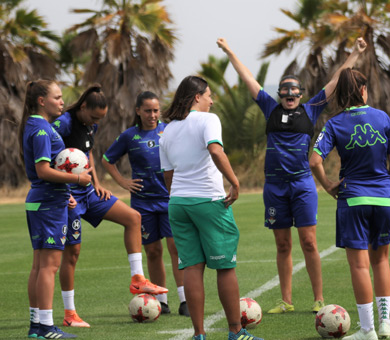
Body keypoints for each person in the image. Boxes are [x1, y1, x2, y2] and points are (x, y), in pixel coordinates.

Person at [217, 36, 366, 314]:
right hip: (274, 187)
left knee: (309, 242)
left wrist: (355, 53)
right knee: (283, 244)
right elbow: (247, 77)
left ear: (300, 95)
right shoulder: (269, 108)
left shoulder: (311, 110)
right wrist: (229, 51)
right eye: (285, 94)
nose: (289, 98)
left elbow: (335, 81)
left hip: (302, 185)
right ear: (280, 96)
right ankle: (285, 301)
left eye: (294, 94)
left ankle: (318, 298)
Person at [53, 85, 168, 327]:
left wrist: (96, 183)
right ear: (83, 107)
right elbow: (47, 157)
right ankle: (69, 313)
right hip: (68, 195)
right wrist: (64, 190)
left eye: (100, 120)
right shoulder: (62, 123)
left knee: (133, 218)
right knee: (72, 254)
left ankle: (137, 279)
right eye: (94, 118)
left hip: (87, 191)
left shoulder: (89, 125)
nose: (96, 123)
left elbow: (88, 153)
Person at [159, 75, 262, 340]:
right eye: (209, 95)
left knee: (192, 267)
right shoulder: (208, 120)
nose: (212, 101)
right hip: (208, 201)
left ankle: (198, 334)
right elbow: (216, 151)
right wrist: (236, 182)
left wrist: (179, 196)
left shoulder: (168, 129)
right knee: (225, 266)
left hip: (178, 203)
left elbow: (167, 174)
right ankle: (235, 332)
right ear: (197, 97)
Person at [309, 68, 390, 340]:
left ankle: (368, 330)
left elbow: (314, 161)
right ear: (363, 90)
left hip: (353, 199)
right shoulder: (383, 117)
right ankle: (385, 324)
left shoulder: (335, 123)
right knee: (381, 260)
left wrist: (327, 186)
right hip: (382, 199)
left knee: (360, 266)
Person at [101, 91, 188, 316]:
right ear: (138, 111)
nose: (152, 115)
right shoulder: (129, 136)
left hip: (170, 199)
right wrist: (122, 182)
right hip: (143, 204)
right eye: (148, 110)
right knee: (153, 251)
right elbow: (107, 160)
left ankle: (185, 299)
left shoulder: (169, 130)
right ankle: (161, 300)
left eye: (156, 110)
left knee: (176, 248)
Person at [20, 80, 92, 339]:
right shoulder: (41, 130)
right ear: (42, 101)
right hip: (47, 204)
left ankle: (36, 326)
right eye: (58, 97)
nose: (63, 102)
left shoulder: (37, 126)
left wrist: (67, 195)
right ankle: (46, 327)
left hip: (48, 200)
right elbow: (43, 171)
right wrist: (77, 180)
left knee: (39, 267)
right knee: (48, 267)